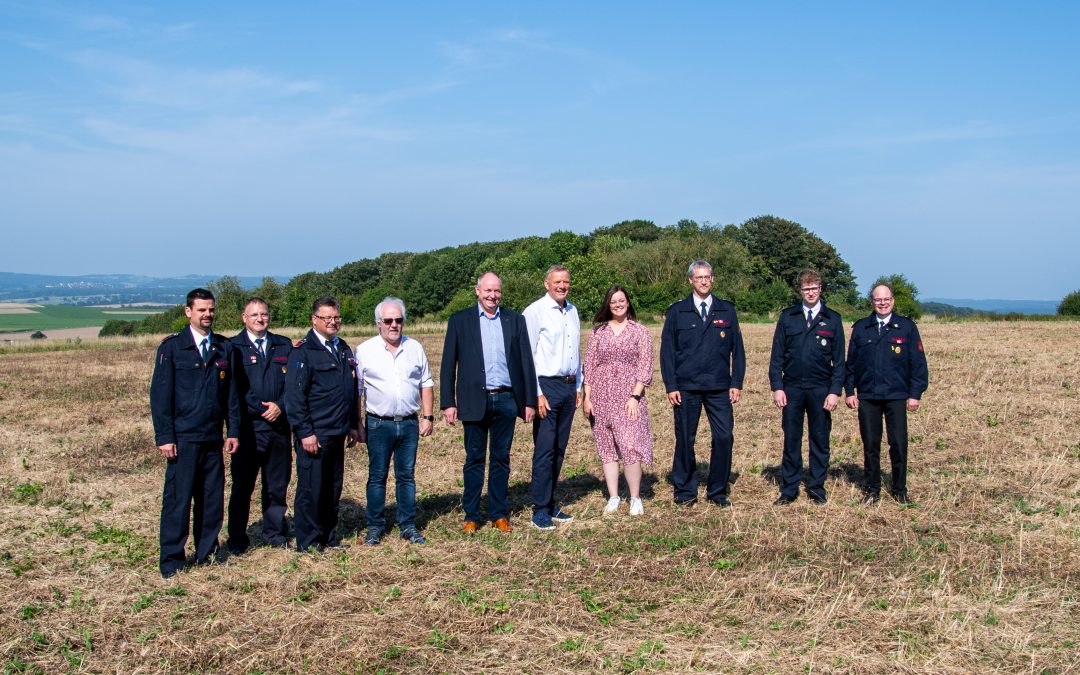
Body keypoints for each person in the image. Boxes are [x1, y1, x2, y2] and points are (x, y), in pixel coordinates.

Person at [150, 288, 241, 578]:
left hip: (212, 437)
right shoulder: (173, 348)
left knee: (211, 499)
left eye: (211, 309)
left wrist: (233, 431)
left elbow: (232, 397)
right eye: (201, 310)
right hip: (183, 438)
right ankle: (172, 561)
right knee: (178, 501)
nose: (207, 314)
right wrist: (165, 437)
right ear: (188, 312)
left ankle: (207, 553)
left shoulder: (224, 348)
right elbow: (160, 397)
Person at [441, 273, 537, 533]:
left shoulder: (515, 320)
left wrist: (528, 400)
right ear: (477, 291)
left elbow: (526, 361)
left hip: (506, 399)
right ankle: (471, 515)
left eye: (497, 291)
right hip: (474, 401)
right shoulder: (460, 321)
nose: (493, 295)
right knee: (474, 459)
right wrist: (448, 402)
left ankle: (498, 513)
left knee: (501, 459)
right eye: (488, 290)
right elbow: (448, 364)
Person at [660, 260, 746, 507]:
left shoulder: (726, 310)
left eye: (708, 277)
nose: (704, 281)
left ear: (713, 279)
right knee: (685, 438)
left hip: (719, 386)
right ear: (690, 280)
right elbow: (667, 352)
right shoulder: (678, 312)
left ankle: (717, 491)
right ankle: (686, 491)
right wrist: (671, 385)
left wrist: (736, 382)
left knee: (724, 437)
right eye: (699, 277)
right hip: (686, 387)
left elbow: (737, 351)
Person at [355, 297, 434, 545]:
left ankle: (408, 525)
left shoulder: (415, 348)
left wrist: (428, 416)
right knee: (377, 476)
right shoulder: (365, 350)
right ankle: (375, 527)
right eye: (388, 320)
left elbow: (426, 383)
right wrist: (357, 423)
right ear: (378, 323)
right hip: (378, 424)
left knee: (406, 476)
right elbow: (356, 390)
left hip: (409, 423)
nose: (394, 325)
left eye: (398, 320)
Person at [285, 296, 360, 552]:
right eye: (326, 318)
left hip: (337, 432)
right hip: (315, 434)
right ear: (314, 320)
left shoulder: (342, 348)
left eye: (336, 317)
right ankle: (308, 542)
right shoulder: (303, 351)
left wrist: (352, 424)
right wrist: (306, 432)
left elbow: (351, 391)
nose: (332, 322)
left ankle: (328, 537)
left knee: (332, 488)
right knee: (311, 489)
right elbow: (295, 398)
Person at [844, 283, 929, 504]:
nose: (882, 303)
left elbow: (918, 364)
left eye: (886, 299)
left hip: (896, 395)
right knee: (871, 445)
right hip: (868, 396)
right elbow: (850, 364)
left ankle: (899, 489)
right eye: (878, 300)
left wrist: (915, 394)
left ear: (893, 300)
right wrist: (849, 391)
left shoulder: (907, 327)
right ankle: (872, 489)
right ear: (872, 302)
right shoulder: (862, 328)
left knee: (899, 444)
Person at [768, 269, 846, 505]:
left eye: (814, 288)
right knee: (791, 438)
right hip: (791, 388)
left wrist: (834, 391)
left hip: (821, 389)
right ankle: (789, 488)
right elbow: (777, 356)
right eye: (806, 288)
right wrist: (777, 386)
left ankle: (816, 487)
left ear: (820, 288)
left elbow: (840, 360)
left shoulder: (832, 319)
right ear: (799, 291)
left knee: (820, 439)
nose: (810, 292)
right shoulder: (788, 317)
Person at [226, 297, 293, 554]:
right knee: (243, 486)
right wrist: (261, 408)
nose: (259, 319)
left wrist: (281, 406)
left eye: (263, 314)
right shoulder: (233, 348)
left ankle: (274, 533)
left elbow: (294, 385)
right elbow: (235, 390)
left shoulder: (283, 346)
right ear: (244, 318)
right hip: (249, 429)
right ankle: (237, 539)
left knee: (277, 484)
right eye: (254, 315)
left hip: (278, 428)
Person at [582, 286, 654, 516]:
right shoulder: (598, 332)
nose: (618, 304)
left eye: (621, 300)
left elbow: (645, 365)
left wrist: (635, 396)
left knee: (630, 444)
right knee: (607, 446)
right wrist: (588, 397)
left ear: (628, 302)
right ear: (608, 305)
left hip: (628, 397)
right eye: (613, 301)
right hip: (601, 397)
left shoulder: (639, 331)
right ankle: (613, 496)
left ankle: (635, 498)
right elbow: (590, 366)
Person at [522, 264, 582, 530]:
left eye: (566, 282)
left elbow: (575, 350)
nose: (562, 286)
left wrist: (578, 386)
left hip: (569, 387)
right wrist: (536, 393)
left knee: (559, 449)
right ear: (546, 284)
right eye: (557, 282)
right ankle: (539, 510)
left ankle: (550, 502)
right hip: (546, 387)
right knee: (545, 450)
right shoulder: (534, 312)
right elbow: (528, 356)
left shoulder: (573, 311)